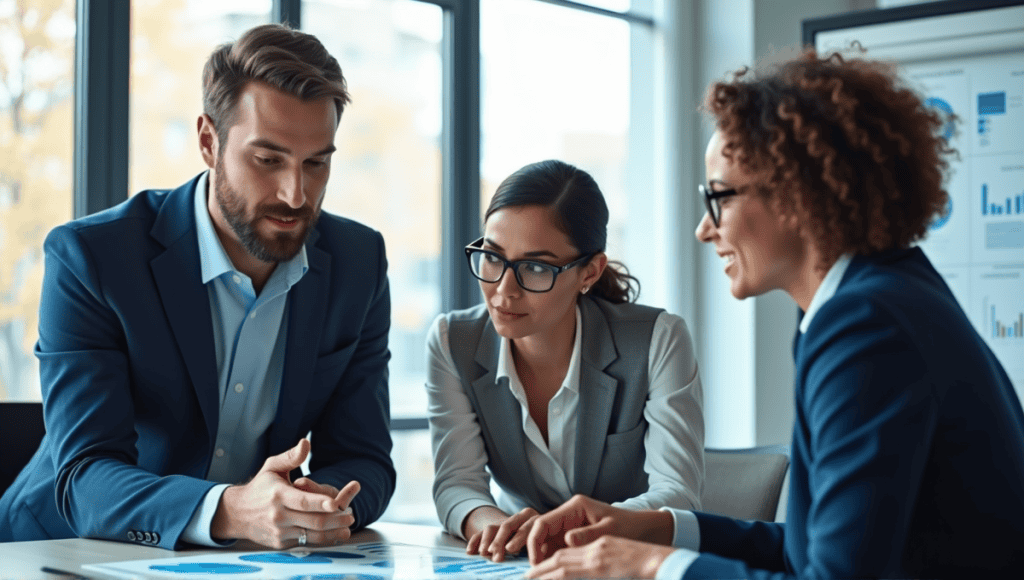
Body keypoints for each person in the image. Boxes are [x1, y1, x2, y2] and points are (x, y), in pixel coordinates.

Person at [523, 49, 1024, 579]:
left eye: (718, 198)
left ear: (797, 194)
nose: (705, 228)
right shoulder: (883, 295)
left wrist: (653, 569)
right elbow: (815, 549)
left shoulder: (866, 324)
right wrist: (656, 529)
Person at [0, 24, 395, 550]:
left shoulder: (357, 263)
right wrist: (232, 510)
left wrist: (318, 505)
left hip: (242, 560)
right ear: (209, 141)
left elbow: (364, 456)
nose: (296, 195)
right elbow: (86, 477)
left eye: (316, 163)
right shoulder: (92, 258)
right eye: (268, 159)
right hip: (58, 549)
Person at [426, 159, 705, 562]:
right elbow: (457, 483)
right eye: (492, 257)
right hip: (524, 562)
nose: (504, 290)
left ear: (589, 272)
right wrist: (496, 527)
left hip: (629, 563)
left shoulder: (659, 339)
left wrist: (559, 530)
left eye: (535, 267)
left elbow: (677, 495)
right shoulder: (454, 342)